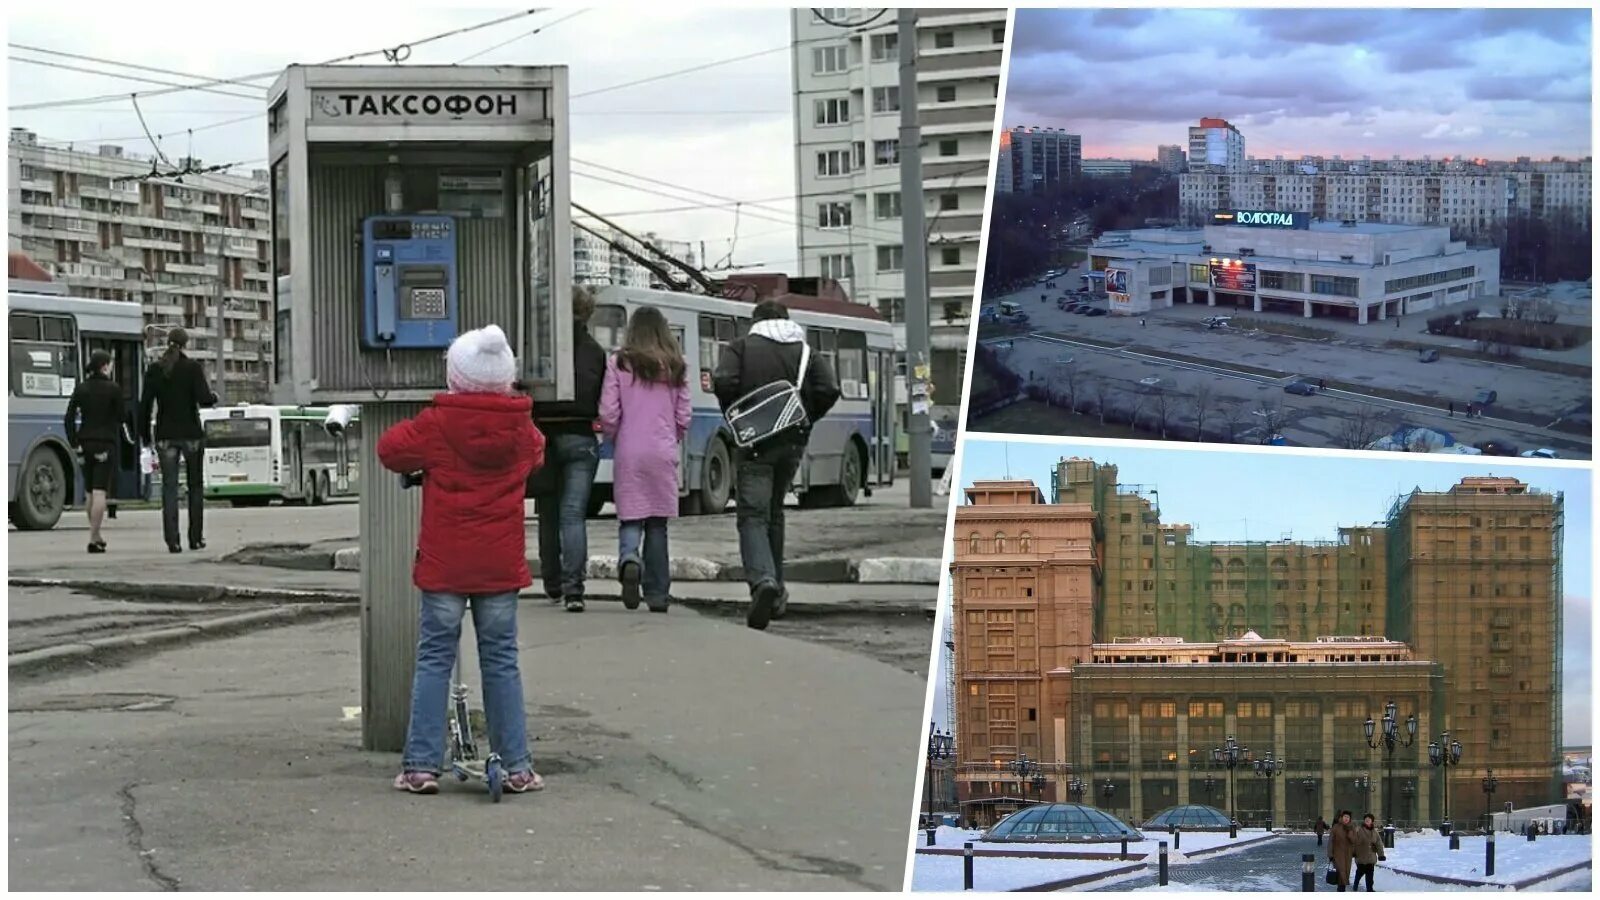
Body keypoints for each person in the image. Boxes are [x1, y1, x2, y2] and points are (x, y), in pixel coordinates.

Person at [377, 324, 546, 796]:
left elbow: (389, 450)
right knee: (501, 660)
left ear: (455, 376)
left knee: (434, 658)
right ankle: (517, 767)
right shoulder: (523, 429)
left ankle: (421, 767)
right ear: (506, 378)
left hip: (445, 565)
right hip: (498, 568)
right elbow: (536, 455)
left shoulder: (436, 425)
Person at [712, 299, 840, 631]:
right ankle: (778, 594)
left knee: (752, 515)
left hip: (755, 443)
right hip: (792, 442)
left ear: (755, 322)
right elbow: (829, 388)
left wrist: (739, 414)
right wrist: (805, 418)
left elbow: (723, 381)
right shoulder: (806, 352)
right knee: (774, 513)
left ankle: (763, 582)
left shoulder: (741, 347)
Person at [598, 305, 691, 615]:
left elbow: (609, 412)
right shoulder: (677, 366)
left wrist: (613, 435)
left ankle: (628, 560)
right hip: (662, 449)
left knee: (631, 515)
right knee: (657, 524)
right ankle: (657, 594)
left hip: (630, 449)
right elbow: (684, 415)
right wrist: (671, 436)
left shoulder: (619, 363)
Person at [531, 285, 608, 613]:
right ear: (586, 313)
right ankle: (574, 590)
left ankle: (551, 585)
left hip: (543, 436)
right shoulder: (595, 351)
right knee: (573, 514)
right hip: (580, 436)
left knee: (547, 511)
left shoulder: (539, 347)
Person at [139, 328, 217, 553]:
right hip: (191, 434)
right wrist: (214, 398)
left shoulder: (155, 369)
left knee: (169, 488)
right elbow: (203, 399)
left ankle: (172, 540)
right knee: (195, 486)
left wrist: (145, 435)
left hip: (165, 435)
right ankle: (196, 538)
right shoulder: (192, 368)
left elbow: (145, 405)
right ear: (185, 345)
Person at [64, 349, 124, 553]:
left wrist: (74, 442)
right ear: (105, 366)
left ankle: (96, 534)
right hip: (105, 444)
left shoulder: (82, 389)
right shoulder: (114, 389)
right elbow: (121, 416)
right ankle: (92, 538)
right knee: (100, 492)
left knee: (89, 492)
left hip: (84, 443)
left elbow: (69, 417)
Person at [1351, 813, 1386, 891]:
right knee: (1360, 872)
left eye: (1369, 819)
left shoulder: (1375, 832)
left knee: (1370, 875)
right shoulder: (1358, 829)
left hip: (1371, 857)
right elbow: (1353, 841)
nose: (1367, 820)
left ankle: (1369, 889)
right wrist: (1353, 852)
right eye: (1366, 819)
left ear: (1372, 821)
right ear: (1364, 820)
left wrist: (1381, 855)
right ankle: (1356, 883)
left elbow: (1379, 844)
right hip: (1360, 856)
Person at [1329, 809, 1357, 892]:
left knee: (1345, 874)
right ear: (1341, 817)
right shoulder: (1336, 827)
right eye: (1345, 816)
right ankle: (1341, 890)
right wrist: (1330, 854)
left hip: (1348, 856)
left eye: (1348, 817)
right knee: (1341, 875)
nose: (1346, 818)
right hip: (1337, 855)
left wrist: (1349, 831)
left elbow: (1354, 841)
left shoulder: (1352, 828)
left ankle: (1341, 889)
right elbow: (1331, 841)